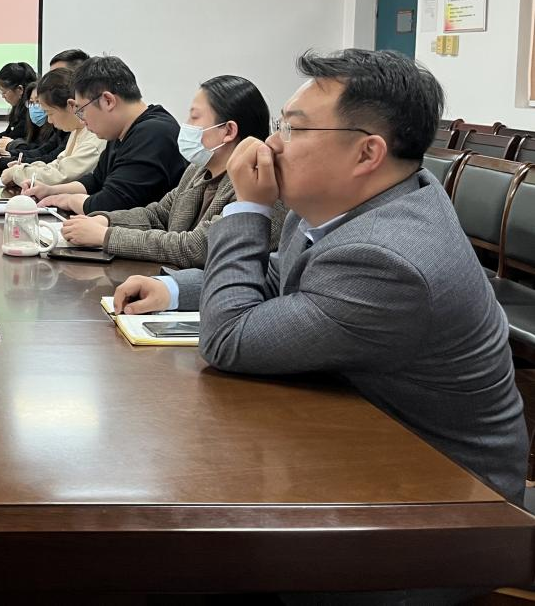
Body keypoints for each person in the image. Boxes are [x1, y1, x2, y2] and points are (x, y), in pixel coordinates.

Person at [114, 48, 527, 503]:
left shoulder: (388, 260)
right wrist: (172, 288)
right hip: (364, 434)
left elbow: (228, 339)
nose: (271, 145)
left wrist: (248, 206)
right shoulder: (344, 201)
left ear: (367, 153)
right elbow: (278, 275)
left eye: (294, 129)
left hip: (448, 494)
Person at [60, 75, 284, 267]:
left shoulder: (257, 186)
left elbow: (197, 247)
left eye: (194, 117)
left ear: (228, 131)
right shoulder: (197, 170)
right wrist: (106, 220)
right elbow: (158, 215)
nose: (186, 125)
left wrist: (107, 236)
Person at [22, 56, 184, 215]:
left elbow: (111, 203)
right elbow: (96, 180)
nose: (82, 119)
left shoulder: (153, 134)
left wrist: (66, 200)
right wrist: (51, 190)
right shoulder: (120, 131)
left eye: (81, 110)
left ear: (108, 101)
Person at [0, 67, 103, 188]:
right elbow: (58, 164)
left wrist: (18, 173)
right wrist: (25, 168)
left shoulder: (93, 136)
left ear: (70, 106)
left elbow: (62, 176)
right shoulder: (77, 130)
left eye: (49, 113)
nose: (49, 120)